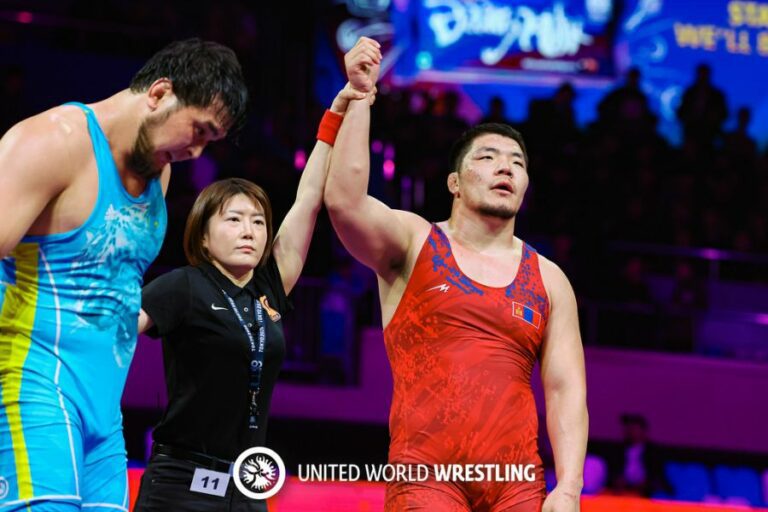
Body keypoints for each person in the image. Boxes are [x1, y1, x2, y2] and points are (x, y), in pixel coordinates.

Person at [325, 37, 588, 511]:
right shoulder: (415, 242)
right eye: (487, 157)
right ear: (455, 183)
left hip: (516, 485)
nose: (505, 167)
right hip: (426, 478)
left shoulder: (549, 279)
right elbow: (345, 202)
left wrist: (568, 487)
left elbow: (565, 388)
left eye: (517, 162)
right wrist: (360, 96)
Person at [0, 39, 248, 511]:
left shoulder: (159, 170)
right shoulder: (52, 142)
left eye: (210, 141)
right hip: (31, 388)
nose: (196, 152)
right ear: (159, 93)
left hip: (104, 414)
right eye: (198, 130)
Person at [133, 77, 369, 510]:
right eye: (234, 219)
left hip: (247, 487)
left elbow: (308, 198)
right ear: (203, 237)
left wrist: (336, 111)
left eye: (258, 222)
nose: (249, 231)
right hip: (180, 485)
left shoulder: (269, 289)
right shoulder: (184, 285)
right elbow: (114, 333)